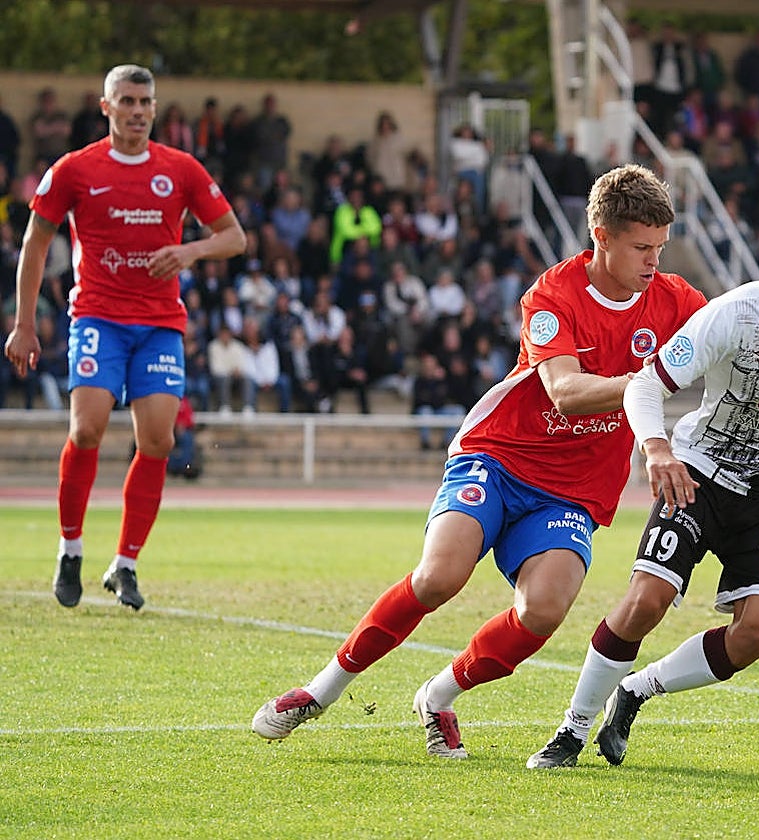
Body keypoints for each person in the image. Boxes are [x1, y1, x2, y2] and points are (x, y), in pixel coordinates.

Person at [251, 163, 707, 756]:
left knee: (543, 610)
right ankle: (319, 691)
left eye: (660, 248)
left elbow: (731, 339)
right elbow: (564, 392)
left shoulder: (678, 300)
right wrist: (649, 381)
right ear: (602, 236)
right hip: (499, 457)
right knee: (440, 576)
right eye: (641, 247)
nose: (653, 261)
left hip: (572, 488)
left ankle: (439, 695)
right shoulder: (553, 294)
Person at [526, 207, 759, 769]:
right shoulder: (735, 316)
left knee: (758, 633)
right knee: (645, 602)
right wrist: (656, 450)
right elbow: (646, 386)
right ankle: (570, 732)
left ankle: (635, 692)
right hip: (702, 477)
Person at [3, 65, 246, 610]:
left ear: (155, 109)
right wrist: (23, 322)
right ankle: (70, 549)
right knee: (87, 428)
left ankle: (126, 564)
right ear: (105, 106)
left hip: (160, 324)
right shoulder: (74, 170)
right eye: (127, 101)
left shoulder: (180, 169)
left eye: (146, 101)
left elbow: (235, 237)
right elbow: (35, 245)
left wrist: (189, 251)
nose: (138, 110)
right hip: (97, 317)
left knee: (158, 442)